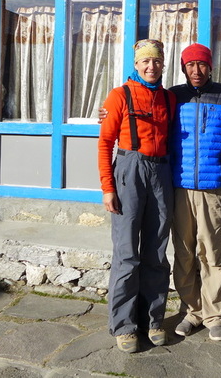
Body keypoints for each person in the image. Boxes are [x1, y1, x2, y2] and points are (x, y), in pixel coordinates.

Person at [97, 39, 176, 354]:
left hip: (161, 172)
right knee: (127, 253)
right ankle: (125, 325)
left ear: (162, 64)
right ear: (136, 64)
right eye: (145, 61)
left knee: (157, 251)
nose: (151, 67)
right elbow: (105, 143)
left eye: (156, 61)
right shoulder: (120, 95)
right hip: (130, 171)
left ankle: (152, 319)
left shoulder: (170, 99)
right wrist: (107, 187)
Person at [168, 43, 221, 342]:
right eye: (190, 65)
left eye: (202, 65)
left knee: (212, 253)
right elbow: (147, 119)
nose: (196, 71)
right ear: (183, 68)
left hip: (213, 188)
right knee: (184, 253)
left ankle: (215, 315)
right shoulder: (173, 97)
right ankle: (192, 311)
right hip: (179, 187)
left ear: (210, 67)